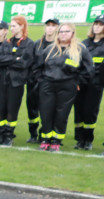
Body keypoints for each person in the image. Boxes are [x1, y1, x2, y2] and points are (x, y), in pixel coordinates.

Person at [35, 21, 92, 151]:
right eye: (61, 31)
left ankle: (56, 141)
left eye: (66, 31)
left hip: (67, 86)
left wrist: (78, 82)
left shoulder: (80, 49)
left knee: (61, 114)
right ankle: (45, 139)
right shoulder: (49, 49)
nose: (63, 34)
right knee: (46, 113)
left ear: (72, 33)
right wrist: (41, 81)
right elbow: (38, 67)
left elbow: (89, 69)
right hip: (48, 85)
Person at [0, 16, 35, 145]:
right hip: (2, 81)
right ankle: (0, 135)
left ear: (22, 26)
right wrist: (14, 59)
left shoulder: (29, 43)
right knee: (0, 109)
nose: (12, 28)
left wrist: (9, 59)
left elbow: (24, 63)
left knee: (12, 110)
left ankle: (9, 136)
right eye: (11, 26)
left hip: (16, 82)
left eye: (14, 26)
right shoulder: (7, 42)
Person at [26, 17, 60, 142]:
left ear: (57, 28)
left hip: (49, 83)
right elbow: (30, 62)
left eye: (53, 25)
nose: (50, 28)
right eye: (48, 25)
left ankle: (44, 134)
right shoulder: (37, 44)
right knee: (32, 109)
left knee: (47, 110)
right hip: (33, 82)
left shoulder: (58, 45)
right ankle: (33, 133)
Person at [73, 15, 104, 150]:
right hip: (81, 82)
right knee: (78, 110)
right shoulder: (85, 43)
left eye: (100, 24)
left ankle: (88, 139)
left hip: (96, 84)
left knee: (90, 111)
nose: (97, 26)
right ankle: (79, 139)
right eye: (95, 24)